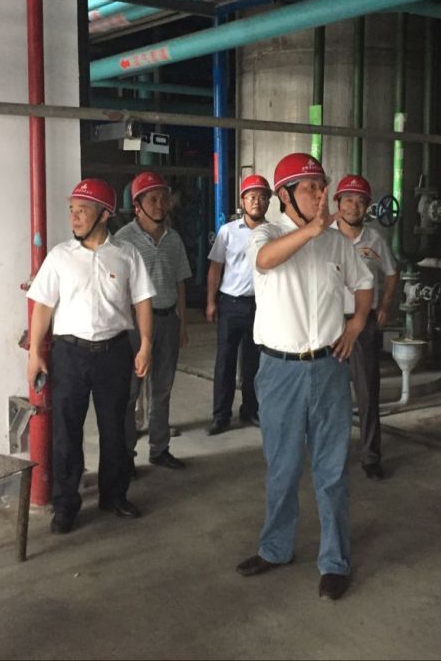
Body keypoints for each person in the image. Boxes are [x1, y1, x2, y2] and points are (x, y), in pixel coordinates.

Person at [235, 153, 373, 602]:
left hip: (329, 367)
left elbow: (364, 283)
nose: (320, 194)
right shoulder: (266, 234)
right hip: (280, 371)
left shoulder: (337, 244)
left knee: (331, 470)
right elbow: (265, 261)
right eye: (310, 187)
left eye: (321, 186)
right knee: (283, 467)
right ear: (285, 195)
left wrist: (355, 324)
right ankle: (275, 549)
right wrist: (311, 230)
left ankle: (334, 562)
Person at [26, 179, 155, 534]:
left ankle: (114, 496)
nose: (74, 217)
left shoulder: (127, 255)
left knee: (115, 429)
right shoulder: (60, 257)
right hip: (70, 355)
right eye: (72, 210)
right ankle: (65, 505)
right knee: (66, 431)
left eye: (82, 210)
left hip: (114, 353)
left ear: (105, 214)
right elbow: (43, 306)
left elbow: (142, 301)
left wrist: (145, 344)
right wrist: (35, 352)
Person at [114, 171, 193, 470]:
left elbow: (180, 283)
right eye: (152, 199)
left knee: (163, 388)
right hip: (134, 326)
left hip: (168, 320)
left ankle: (159, 449)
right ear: (137, 206)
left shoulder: (174, 239)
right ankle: (126, 455)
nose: (160, 205)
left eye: (163, 199)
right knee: (130, 392)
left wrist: (181, 324)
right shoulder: (124, 240)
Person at [330, 174, 398, 480]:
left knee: (367, 391)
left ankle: (371, 456)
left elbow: (392, 273)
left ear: (367, 206)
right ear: (338, 203)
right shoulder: (325, 237)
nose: (353, 206)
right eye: (348, 199)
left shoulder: (375, 240)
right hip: (329, 323)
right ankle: (332, 454)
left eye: (360, 201)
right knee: (330, 394)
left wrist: (384, 305)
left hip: (364, 323)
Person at [205, 174, 271, 435]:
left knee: (254, 362)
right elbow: (215, 268)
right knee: (225, 361)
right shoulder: (228, 231)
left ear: (268, 202)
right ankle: (221, 416)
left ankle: (250, 410)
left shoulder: (273, 233)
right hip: (231, 305)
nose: (257, 202)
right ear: (242, 201)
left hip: (261, 306)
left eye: (262, 197)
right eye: (251, 196)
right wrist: (211, 302)